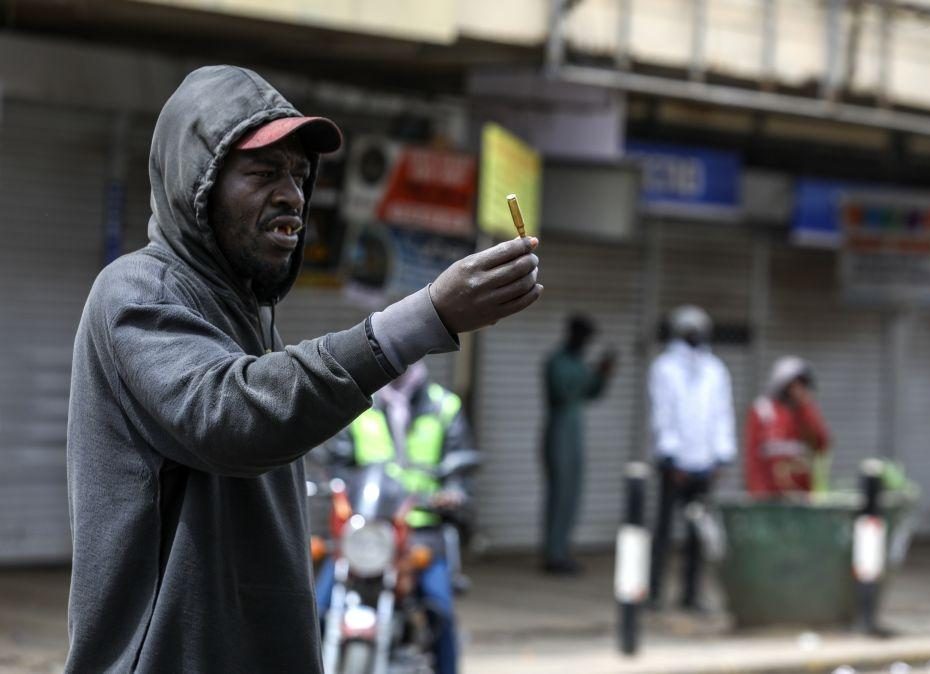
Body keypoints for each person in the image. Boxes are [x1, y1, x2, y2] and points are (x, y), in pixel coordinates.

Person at [65, 65, 542, 673]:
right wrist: (422, 318)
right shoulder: (139, 291)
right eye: (264, 172)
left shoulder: (249, 317)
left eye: (299, 174)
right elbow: (230, 416)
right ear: (197, 186)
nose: (292, 193)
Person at [309, 361, 471, 674]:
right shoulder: (358, 404)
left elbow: (459, 465)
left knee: (442, 611)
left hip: (421, 530)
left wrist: (453, 492)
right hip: (366, 530)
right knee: (317, 606)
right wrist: (331, 484)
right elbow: (339, 463)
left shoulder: (443, 406)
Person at [648, 305, 735, 611]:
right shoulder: (665, 367)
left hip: (705, 465)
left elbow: (722, 415)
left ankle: (691, 594)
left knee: (697, 534)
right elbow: (663, 415)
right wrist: (670, 457)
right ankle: (653, 593)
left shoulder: (715, 370)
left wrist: (721, 457)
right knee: (662, 531)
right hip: (675, 466)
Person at [541, 314, 615, 574]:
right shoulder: (557, 361)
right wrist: (592, 373)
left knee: (572, 495)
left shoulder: (577, 362)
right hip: (559, 433)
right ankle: (553, 554)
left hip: (574, 434)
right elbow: (565, 392)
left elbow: (592, 393)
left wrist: (604, 374)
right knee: (559, 495)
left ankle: (563, 549)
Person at [745, 356, 830, 496]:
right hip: (768, 497)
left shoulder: (805, 412)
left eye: (802, 385)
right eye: (792, 385)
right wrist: (757, 493)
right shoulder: (762, 410)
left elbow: (821, 445)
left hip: (801, 497)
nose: (797, 391)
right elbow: (753, 458)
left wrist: (806, 410)